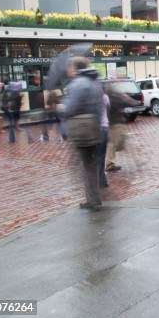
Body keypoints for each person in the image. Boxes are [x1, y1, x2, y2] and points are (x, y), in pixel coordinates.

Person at [63, 57, 104, 211]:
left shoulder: (78, 84)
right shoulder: (94, 82)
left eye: (70, 67)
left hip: (81, 130)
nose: (68, 70)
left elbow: (70, 109)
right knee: (91, 165)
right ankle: (94, 198)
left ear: (76, 68)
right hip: (94, 127)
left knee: (86, 166)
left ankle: (92, 200)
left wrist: (62, 107)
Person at [105, 87, 138, 172]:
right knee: (114, 143)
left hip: (110, 122)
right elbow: (130, 103)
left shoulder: (106, 97)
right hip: (116, 123)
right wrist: (126, 97)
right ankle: (109, 164)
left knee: (113, 143)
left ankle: (109, 163)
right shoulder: (115, 98)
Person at [98, 92, 110, 188]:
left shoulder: (91, 97)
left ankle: (98, 180)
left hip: (96, 129)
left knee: (95, 157)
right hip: (105, 128)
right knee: (101, 156)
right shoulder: (105, 96)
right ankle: (102, 180)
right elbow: (108, 108)